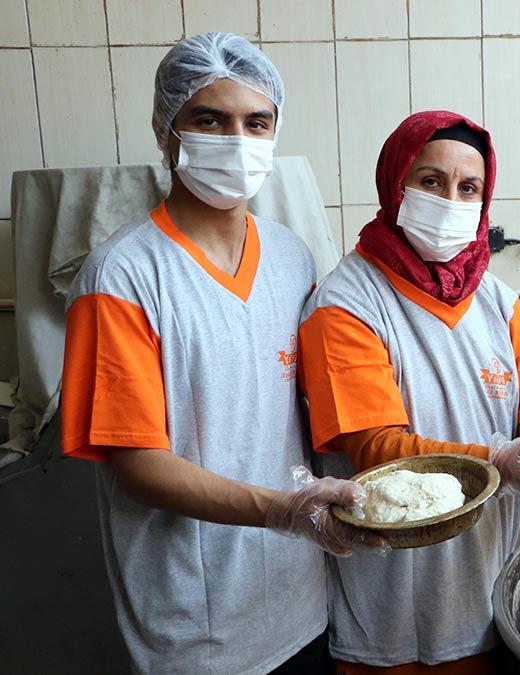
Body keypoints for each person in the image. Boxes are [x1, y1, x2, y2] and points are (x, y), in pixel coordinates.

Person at [60, 32, 381, 674]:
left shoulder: (291, 258)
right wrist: (284, 512)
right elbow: (139, 465)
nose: (237, 140)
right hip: (196, 625)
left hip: (301, 600)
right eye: (210, 119)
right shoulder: (123, 276)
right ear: (165, 130)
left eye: (256, 122)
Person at [297, 110, 520, 673]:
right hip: (390, 615)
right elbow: (376, 451)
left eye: (468, 187)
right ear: (394, 185)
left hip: (485, 594)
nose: (451, 200)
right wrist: (499, 462)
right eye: (430, 182)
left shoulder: (495, 300)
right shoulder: (346, 305)